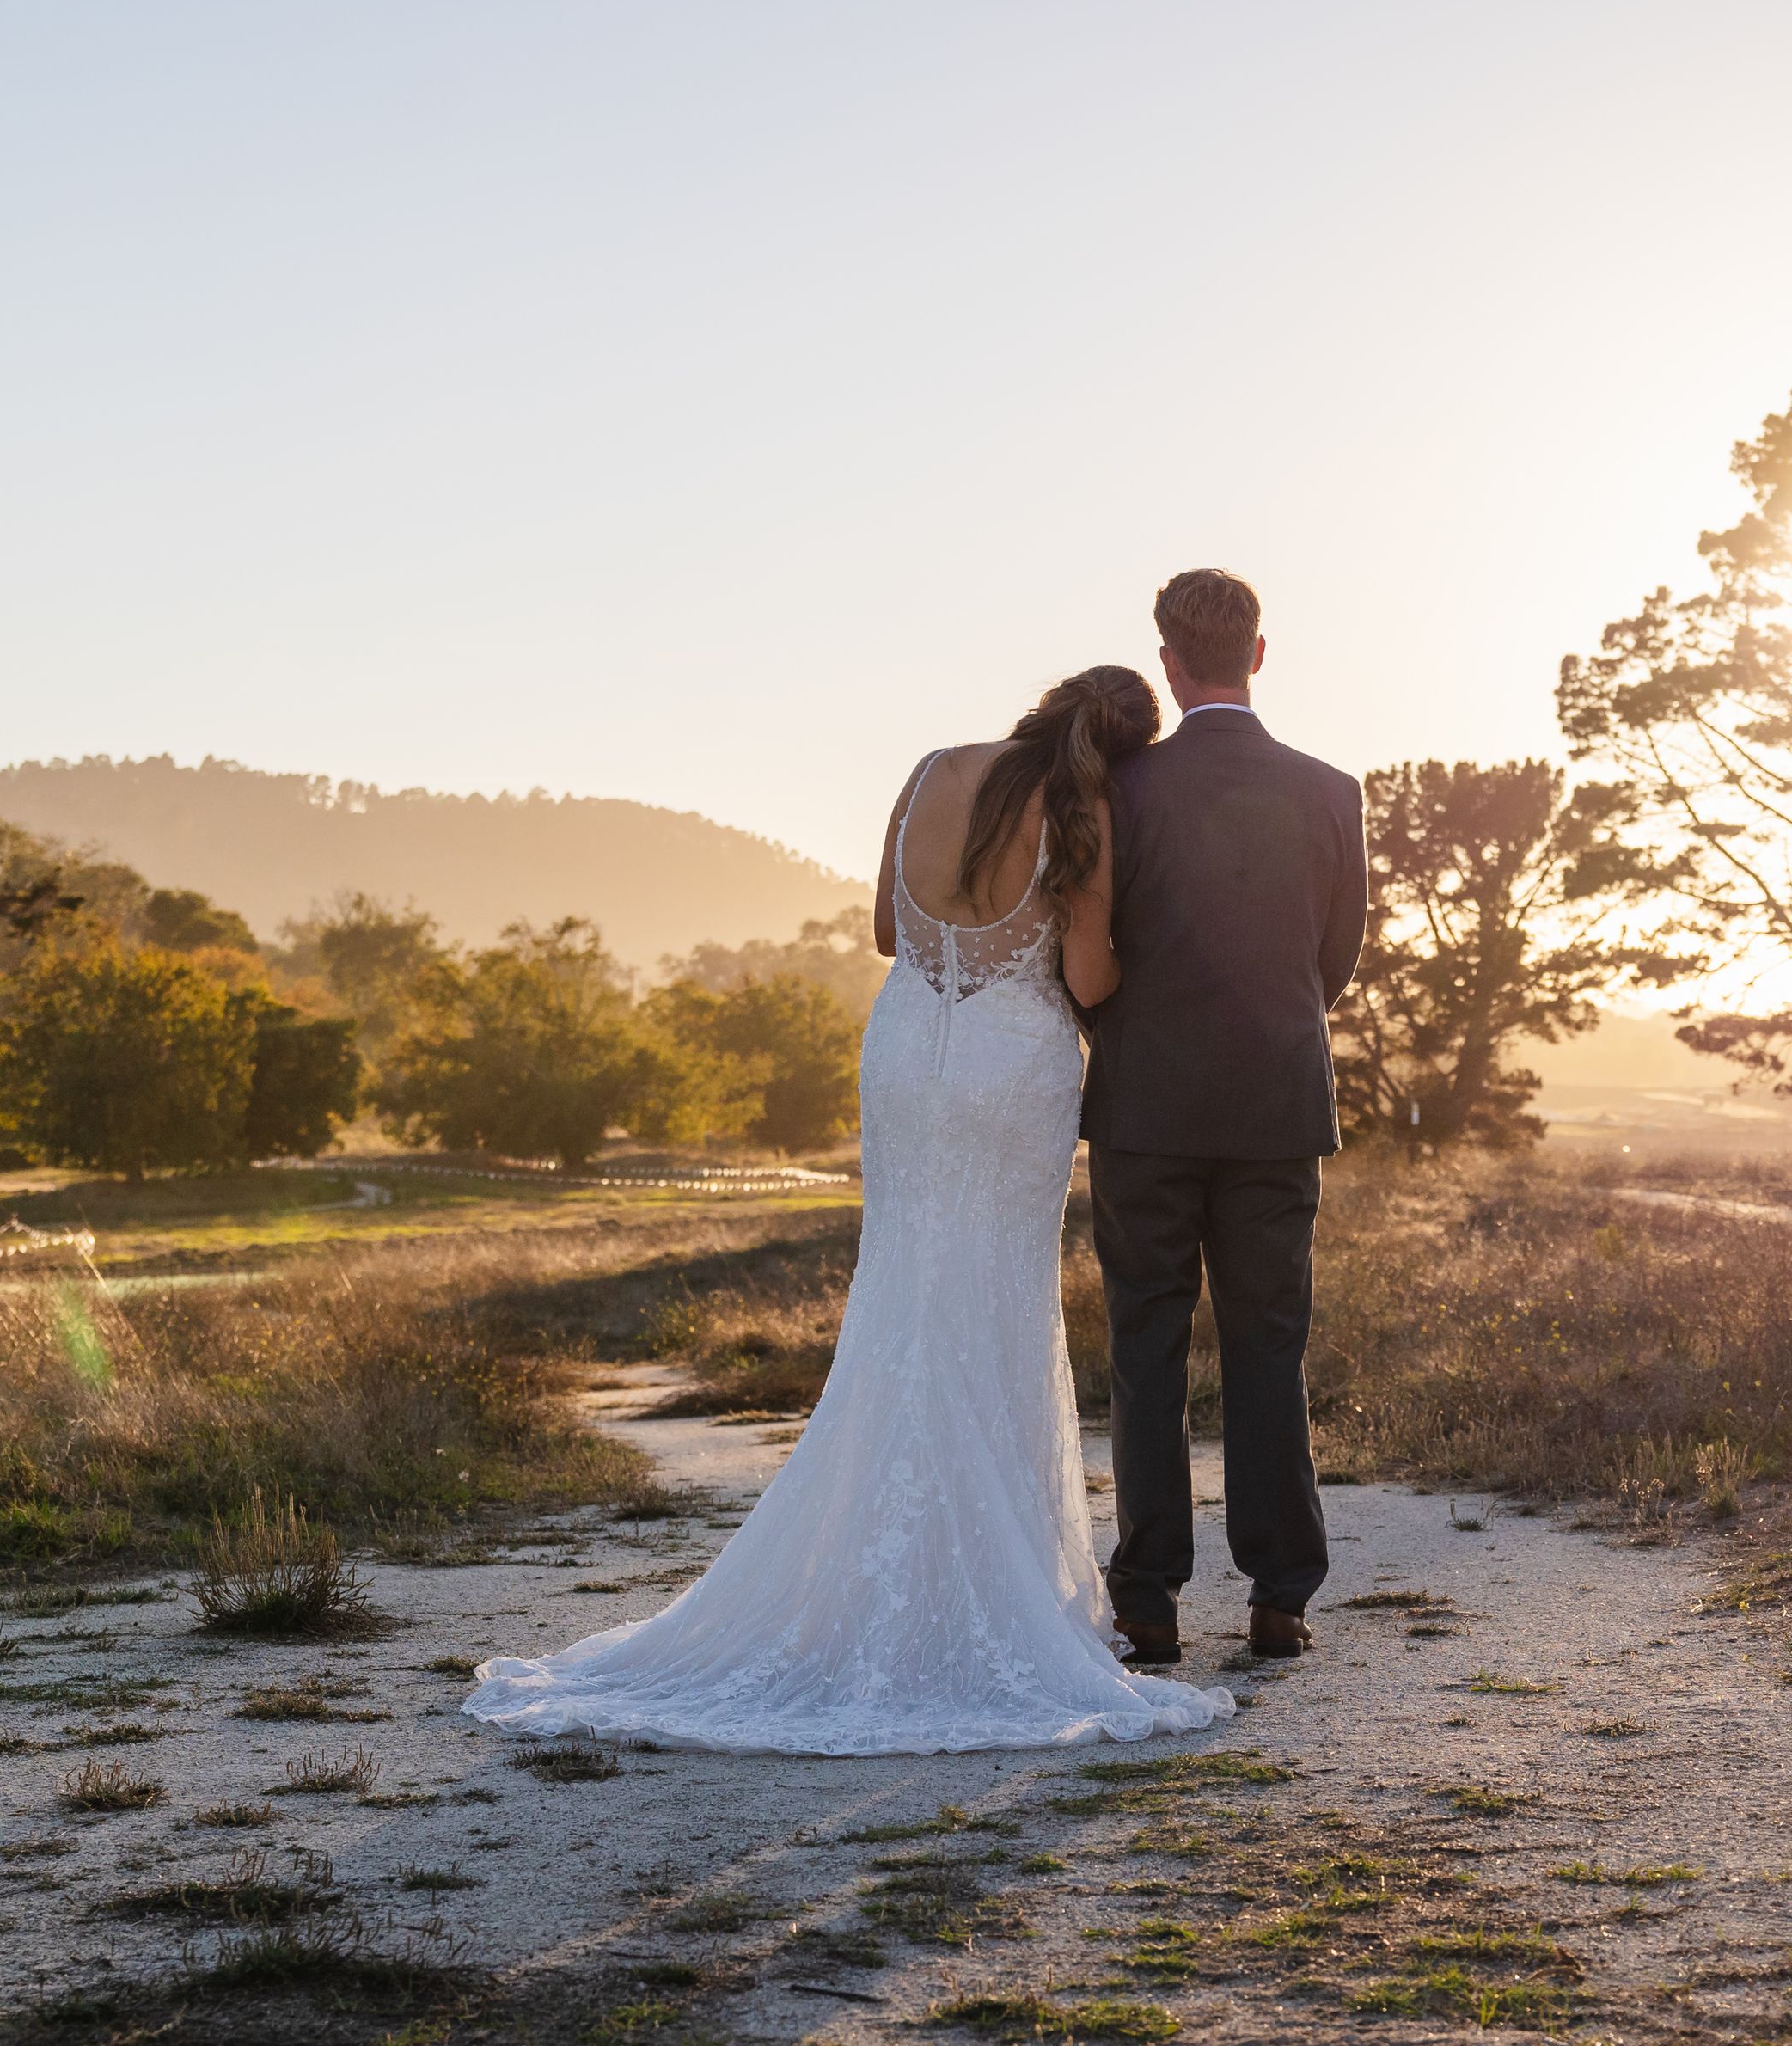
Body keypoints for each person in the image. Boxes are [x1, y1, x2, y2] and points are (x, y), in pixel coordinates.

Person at [461, 662, 1239, 1754]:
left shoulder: (931, 770)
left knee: (903, 1295)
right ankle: (986, 1583)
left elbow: (885, 929)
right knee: (997, 1306)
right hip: (1009, 1068)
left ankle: (871, 1567)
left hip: (905, 1049)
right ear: (1120, 752)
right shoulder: (1085, 809)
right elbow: (1089, 976)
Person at [1083, 567, 1366, 1665]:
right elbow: (1332, 961)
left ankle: (1148, 1599)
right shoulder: (1331, 792)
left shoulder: (1122, 790)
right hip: (1277, 1103)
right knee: (1268, 1345)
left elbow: (1091, 949)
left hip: (1144, 1107)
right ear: (1257, 653)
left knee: (1145, 1349)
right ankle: (1281, 1597)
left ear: (1168, 662)